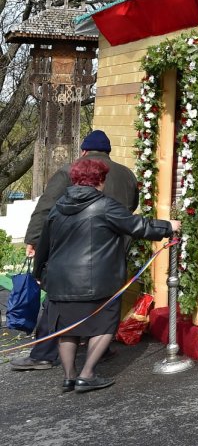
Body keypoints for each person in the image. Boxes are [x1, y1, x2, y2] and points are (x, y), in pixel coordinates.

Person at [33, 158, 179, 392]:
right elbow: (137, 226)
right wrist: (168, 226)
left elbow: (44, 244)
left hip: (60, 281)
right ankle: (87, 375)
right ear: (100, 180)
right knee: (104, 325)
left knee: (67, 329)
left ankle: (69, 377)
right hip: (98, 282)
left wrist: (38, 272)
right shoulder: (104, 205)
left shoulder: (58, 207)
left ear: (75, 179)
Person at [13, 130, 138, 372]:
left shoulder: (71, 170)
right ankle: (100, 350)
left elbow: (46, 208)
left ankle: (43, 354)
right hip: (114, 251)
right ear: (108, 152)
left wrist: (34, 239)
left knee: (57, 304)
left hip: (73, 252)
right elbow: (132, 206)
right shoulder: (126, 174)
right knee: (105, 303)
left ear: (83, 151)